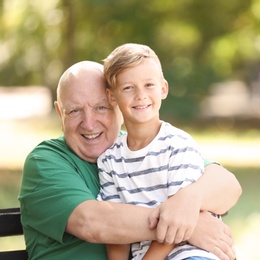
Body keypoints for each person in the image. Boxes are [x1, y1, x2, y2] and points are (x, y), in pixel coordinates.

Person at [18, 60, 241, 260]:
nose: (89, 123)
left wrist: (189, 202)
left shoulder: (139, 146)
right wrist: (185, 226)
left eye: (101, 107)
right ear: (59, 112)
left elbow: (227, 185)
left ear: (117, 104)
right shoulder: (46, 161)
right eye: (75, 111)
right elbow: (92, 223)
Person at [97, 43, 227, 260]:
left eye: (149, 85)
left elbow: (177, 223)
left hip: (191, 253)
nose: (140, 95)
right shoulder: (109, 161)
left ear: (163, 89)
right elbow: (116, 231)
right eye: (128, 88)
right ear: (112, 97)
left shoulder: (178, 145)